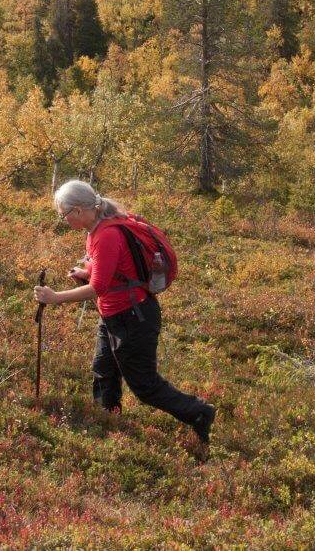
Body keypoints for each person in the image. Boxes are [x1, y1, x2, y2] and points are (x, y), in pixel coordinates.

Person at [32, 180, 216, 447]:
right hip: (115, 316)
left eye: (63, 214)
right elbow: (110, 275)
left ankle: (199, 412)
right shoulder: (96, 229)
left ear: (79, 211)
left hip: (133, 318)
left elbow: (99, 287)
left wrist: (55, 298)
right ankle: (107, 421)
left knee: (144, 386)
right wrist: (85, 273)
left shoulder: (107, 235)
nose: (64, 220)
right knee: (103, 370)